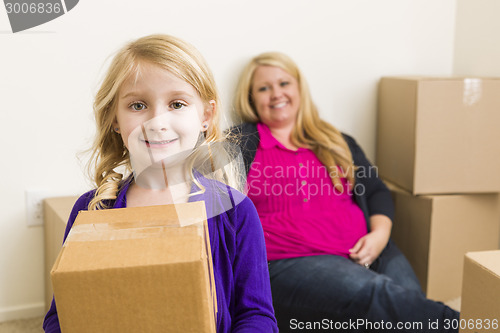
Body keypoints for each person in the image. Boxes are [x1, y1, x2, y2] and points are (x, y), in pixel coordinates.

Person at [43, 34, 278, 333]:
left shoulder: (235, 211)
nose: (157, 121)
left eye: (177, 104)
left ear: (205, 115)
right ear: (115, 119)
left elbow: (256, 316)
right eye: (138, 105)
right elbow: (59, 316)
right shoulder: (91, 210)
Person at [229, 51, 459, 332]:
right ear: (251, 99)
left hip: (370, 248)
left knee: (407, 301)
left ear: (299, 88)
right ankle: (473, 324)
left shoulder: (335, 140)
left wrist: (379, 235)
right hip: (290, 262)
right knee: (385, 298)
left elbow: (375, 191)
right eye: (264, 88)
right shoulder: (241, 145)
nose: (276, 93)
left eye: (284, 83)